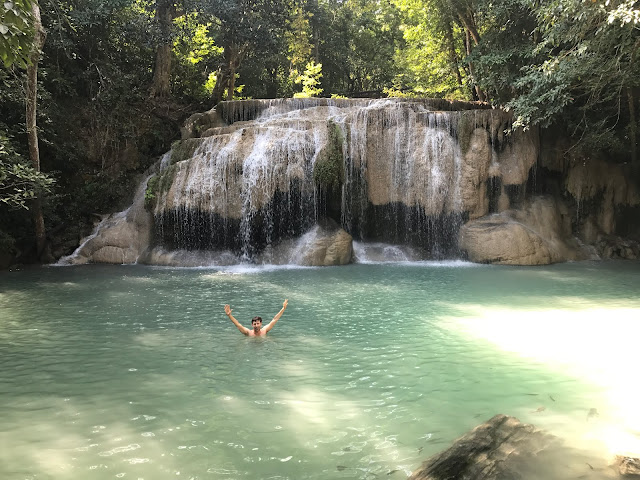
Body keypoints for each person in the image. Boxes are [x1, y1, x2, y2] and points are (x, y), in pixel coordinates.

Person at [224, 300, 288, 336]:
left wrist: (283, 309)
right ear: (252, 325)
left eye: (257, 323)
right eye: (254, 324)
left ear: (261, 324)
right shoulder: (248, 333)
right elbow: (238, 325)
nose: (256, 325)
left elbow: (274, 320)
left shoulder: (264, 331)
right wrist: (229, 315)